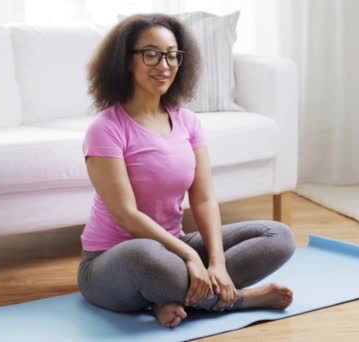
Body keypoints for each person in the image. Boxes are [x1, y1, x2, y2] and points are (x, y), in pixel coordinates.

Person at [77, 13, 296, 329]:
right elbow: (125, 214)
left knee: (279, 236)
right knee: (148, 257)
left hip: (174, 246)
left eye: (172, 55)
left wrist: (217, 264)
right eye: (151, 54)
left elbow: (204, 199)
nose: (163, 65)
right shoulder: (106, 129)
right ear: (127, 61)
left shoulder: (187, 122)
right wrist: (192, 258)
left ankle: (169, 298)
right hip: (113, 261)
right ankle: (239, 299)